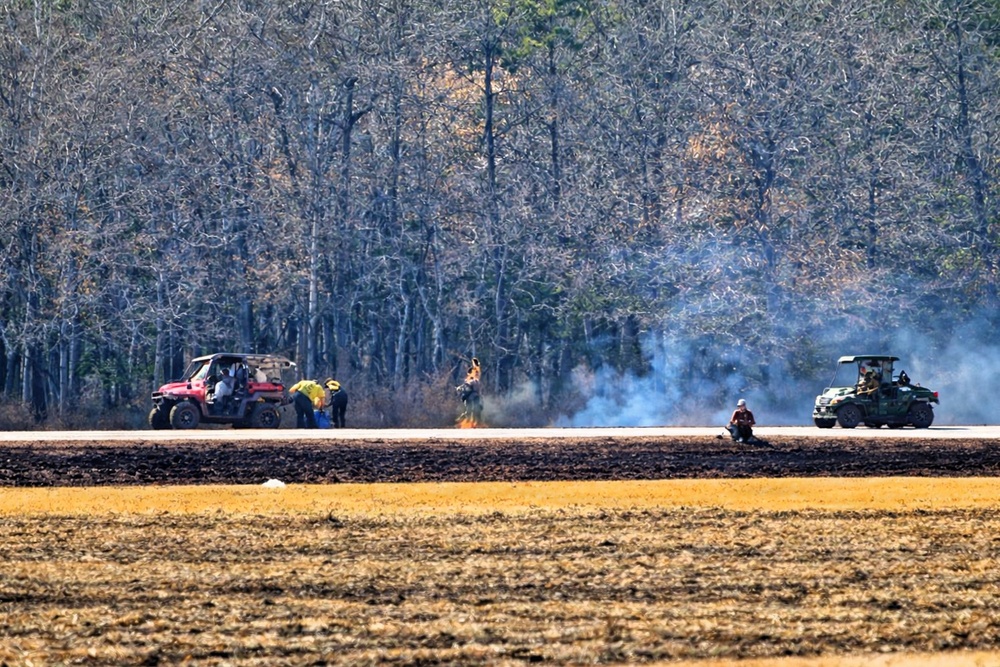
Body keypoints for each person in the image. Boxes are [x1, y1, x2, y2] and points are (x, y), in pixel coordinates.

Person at [456, 357, 483, 426]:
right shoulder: (475, 380)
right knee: (474, 411)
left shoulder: (472, 380)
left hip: (472, 397)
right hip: (475, 397)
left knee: (471, 411)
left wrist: (460, 388)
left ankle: (470, 423)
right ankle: (472, 423)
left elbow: (466, 387)